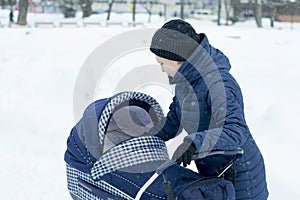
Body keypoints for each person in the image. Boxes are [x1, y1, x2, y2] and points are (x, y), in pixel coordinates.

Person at [149, 19, 268, 199]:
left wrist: (195, 142)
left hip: (240, 174)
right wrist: (144, 137)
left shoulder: (218, 83)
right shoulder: (185, 82)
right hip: (214, 170)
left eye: (162, 63)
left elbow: (235, 130)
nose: (162, 70)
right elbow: (174, 120)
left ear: (178, 59)